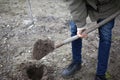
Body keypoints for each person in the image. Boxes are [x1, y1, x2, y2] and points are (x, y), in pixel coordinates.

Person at [62, 0, 120, 80]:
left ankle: (100, 74)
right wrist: (80, 25)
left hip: (109, 6)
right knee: (75, 29)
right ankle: (76, 62)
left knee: (105, 37)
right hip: (83, 2)